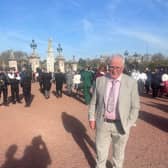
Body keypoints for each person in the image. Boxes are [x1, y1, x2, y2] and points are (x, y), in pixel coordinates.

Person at [88, 54, 140, 168]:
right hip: (103, 123)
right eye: (111, 67)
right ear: (108, 66)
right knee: (101, 155)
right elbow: (93, 102)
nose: (114, 70)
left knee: (118, 156)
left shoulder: (131, 83)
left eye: (118, 67)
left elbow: (135, 107)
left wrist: (129, 123)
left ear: (123, 67)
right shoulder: (100, 81)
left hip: (121, 125)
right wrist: (91, 118)